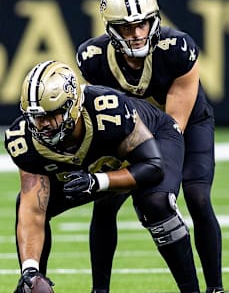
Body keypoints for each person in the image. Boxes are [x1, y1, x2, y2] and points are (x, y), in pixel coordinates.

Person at [76, 0, 223, 293]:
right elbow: (109, 118)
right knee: (106, 203)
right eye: (127, 27)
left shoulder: (177, 49)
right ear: (111, 28)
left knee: (195, 198)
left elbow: (173, 127)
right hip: (130, 132)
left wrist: (148, 173)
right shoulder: (93, 58)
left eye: (143, 24)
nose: (138, 33)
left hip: (185, 124)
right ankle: (99, 289)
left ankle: (216, 288)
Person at [4, 60, 200, 293]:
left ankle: (192, 290)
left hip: (155, 140)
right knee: (32, 204)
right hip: (101, 162)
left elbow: (152, 165)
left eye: (51, 115)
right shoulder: (24, 140)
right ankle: (39, 284)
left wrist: (98, 181)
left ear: (72, 107)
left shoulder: (108, 111)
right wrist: (29, 269)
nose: (43, 125)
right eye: (36, 117)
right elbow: (32, 208)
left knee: (155, 204)